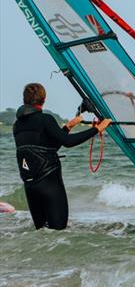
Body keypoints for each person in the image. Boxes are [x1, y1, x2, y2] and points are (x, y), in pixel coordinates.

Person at [13, 82, 111, 230]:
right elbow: (68, 142)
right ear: (43, 99)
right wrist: (97, 129)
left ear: (24, 100)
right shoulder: (45, 119)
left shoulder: (17, 125)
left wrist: (68, 126)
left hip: (31, 186)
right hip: (49, 185)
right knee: (58, 232)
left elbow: (47, 147)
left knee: (42, 233)